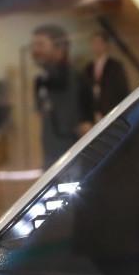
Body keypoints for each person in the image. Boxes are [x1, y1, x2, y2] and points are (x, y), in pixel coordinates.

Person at [31, 23, 90, 168]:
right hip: (50, 158)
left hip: (74, 159)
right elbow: (42, 114)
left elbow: (85, 124)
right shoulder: (41, 80)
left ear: (60, 48)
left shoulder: (77, 78)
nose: (35, 50)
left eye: (41, 44)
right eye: (34, 45)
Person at [81, 29, 131, 122]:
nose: (96, 46)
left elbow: (122, 90)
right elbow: (84, 93)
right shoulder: (88, 68)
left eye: (99, 42)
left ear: (105, 44)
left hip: (111, 111)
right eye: (94, 43)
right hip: (93, 113)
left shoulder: (115, 66)